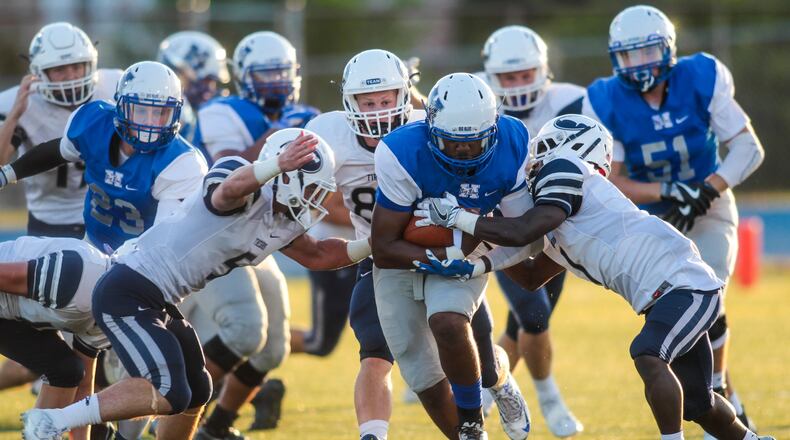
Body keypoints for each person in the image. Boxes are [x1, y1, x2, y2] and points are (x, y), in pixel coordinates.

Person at [412, 114, 774, 440]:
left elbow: (526, 230)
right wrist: (474, 266)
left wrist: (459, 218)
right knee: (699, 404)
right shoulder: (569, 220)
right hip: (672, 293)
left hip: (685, 285)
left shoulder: (564, 168)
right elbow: (532, 274)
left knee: (648, 354)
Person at [21, 128, 372, 440]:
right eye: (310, 185)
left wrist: (375, 242)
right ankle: (53, 421)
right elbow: (227, 192)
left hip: (159, 297)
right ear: (281, 170)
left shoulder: (281, 221)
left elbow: (321, 256)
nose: (314, 196)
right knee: (169, 388)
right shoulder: (239, 178)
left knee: (197, 389)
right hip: (128, 286)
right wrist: (276, 165)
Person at [582, 5, 764, 433]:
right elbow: (614, 180)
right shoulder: (604, 98)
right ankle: (713, 395)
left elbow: (748, 147)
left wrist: (708, 188)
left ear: (667, 50)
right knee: (671, 309)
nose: (639, 64)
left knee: (709, 289)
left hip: (708, 204)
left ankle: (716, 386)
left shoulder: (701, 76)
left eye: (647, 52)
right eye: (629, 55)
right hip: (650, 215)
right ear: (615, 57)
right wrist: (668, 193)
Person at [371, 73, 532, 440]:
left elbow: (520, 228)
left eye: (474, 144)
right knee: (423, 375)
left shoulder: (512, 140)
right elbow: (384, 247)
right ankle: (465, 433)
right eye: (453, 142)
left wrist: (468, 250)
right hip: (402, 256)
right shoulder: (402, 150)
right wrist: (443, 253)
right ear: (429, 129)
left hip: (471, 243)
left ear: (492, 129)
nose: (463, 152)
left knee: (447, 322)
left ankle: (475, 418)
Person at [186, 31, 319, 440]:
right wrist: (278, 144)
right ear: (245, 77)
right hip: (212, 234)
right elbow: (227, 173)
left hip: (259, 240)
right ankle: (170, 407)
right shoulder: (221, 111)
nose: (278, 82)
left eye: (283, 72)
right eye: (267, 74)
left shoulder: (306, 114)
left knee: (275, 346)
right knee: (243, 331)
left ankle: (216, 426)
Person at [0, 21, 121, 397]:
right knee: (48, 352)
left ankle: (90, 414)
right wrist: (15, 115)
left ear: (93, 64)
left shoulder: (115, 87)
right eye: (59, 69)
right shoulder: (15, 103)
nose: (69, 77)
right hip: (47, 227)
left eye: (76, 66)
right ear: (38, 73)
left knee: (100, 335)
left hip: (101, 223)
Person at [479, 24, 584, 437]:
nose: (519, 84)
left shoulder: (573, 101)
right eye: (509, 77)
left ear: (543, 70)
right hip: (504, 227)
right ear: (492, 78)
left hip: (555, 227)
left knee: (518, 326)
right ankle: (547, 396)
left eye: (525, 74)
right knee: (533, 316)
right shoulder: (481, 105)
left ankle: (485, 399)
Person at [0, 60, 207, 256]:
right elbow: (58, 152)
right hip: (92, 244)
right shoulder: (94, 122)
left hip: (150, 264)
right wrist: (7, 173)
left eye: (160, 113)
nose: (150, 123)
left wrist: (113, 263)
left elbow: (163, 242)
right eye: (141, 111)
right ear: (121, 108)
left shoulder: (182, 163)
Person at [0, 236, 110, 440]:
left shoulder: (108, 312)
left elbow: (84, 386)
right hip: (6, 298)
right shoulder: (77, 276)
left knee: (67, 370)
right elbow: (9, 277)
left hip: (13, 313)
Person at [157, 30, 231, 145]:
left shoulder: (192, 116)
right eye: (206, 81)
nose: (210, 89)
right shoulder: (174, 115)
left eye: (212, 82)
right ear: (181, 74)